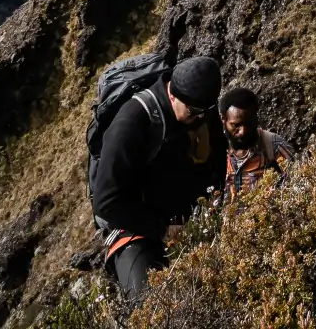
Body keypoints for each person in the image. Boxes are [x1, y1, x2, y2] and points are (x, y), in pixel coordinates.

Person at [92, 56, 226, 299]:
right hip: (135, 230)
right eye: (194, 111)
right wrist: (162, 230)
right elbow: (105, 202)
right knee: (152, 306)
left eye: (205, 111)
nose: (200, 117)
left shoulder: (201, 106)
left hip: (190, 221)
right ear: (173, 95)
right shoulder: (131, 123)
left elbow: (217, 160)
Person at [219, 87, 292, 198]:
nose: (243, 131)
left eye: (248, 123)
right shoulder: (213, 149)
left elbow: (299, 183)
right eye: (236, 125)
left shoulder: (274, 146)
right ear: (223, 120)